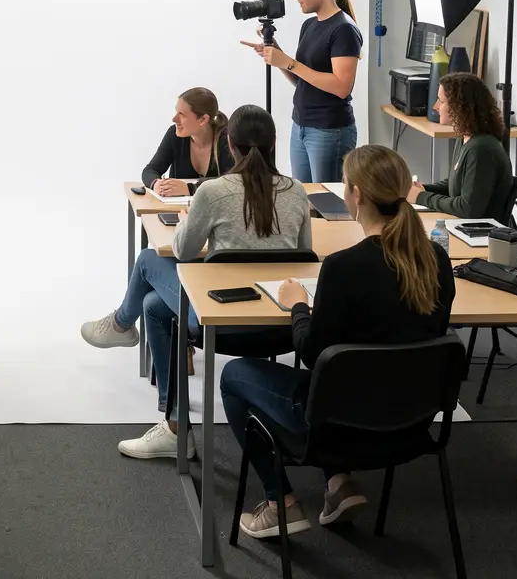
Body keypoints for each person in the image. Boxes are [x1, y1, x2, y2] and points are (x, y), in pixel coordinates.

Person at [221, 145, 456, 540]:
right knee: (350, 377)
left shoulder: (343, 268)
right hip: (412, 423)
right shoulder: (436, 258)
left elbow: (312, 353)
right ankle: (338, 484)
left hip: (334, 426)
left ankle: (281, 503)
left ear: (356, 194)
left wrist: (298, 306)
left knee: (234, 375)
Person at [82, 104, 310, 460]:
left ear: (229, 143)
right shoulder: (296, 191)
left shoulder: (214, 192)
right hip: (282, 326)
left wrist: (190, 218)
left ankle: (170, 416)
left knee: (147, 261)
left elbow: (182, 251)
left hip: (219, 323)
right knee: (154, 305)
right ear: (275, 142)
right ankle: (171, 424)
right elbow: (305, 254)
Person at [241, 0, 362, 183]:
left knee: (327, 205)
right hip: (301, 126)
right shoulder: (310, 24)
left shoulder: (343, 29)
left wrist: (288, 61)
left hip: (329, 130)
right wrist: (275, 53)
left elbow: (341, 87)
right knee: (304, 200)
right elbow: (303, 80)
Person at [409, 72, 513, 220]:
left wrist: (421, 197)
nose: (435, 107)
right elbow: (455, 185)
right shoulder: (465, 139)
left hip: (483, 235)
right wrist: (424, 189)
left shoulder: (480, 149)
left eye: (441, 101)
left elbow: (468, 208)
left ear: (460, 106)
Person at [142, 87, 235, 195]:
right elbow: (150, 170)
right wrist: (156, 184)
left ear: (203, 119)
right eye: (176, 111)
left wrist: (190, 188)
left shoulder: (225, 138)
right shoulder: (174, 134)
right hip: (176, 209)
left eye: (182, 114)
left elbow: (231, 181)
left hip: (212, 210)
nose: (174, 119)